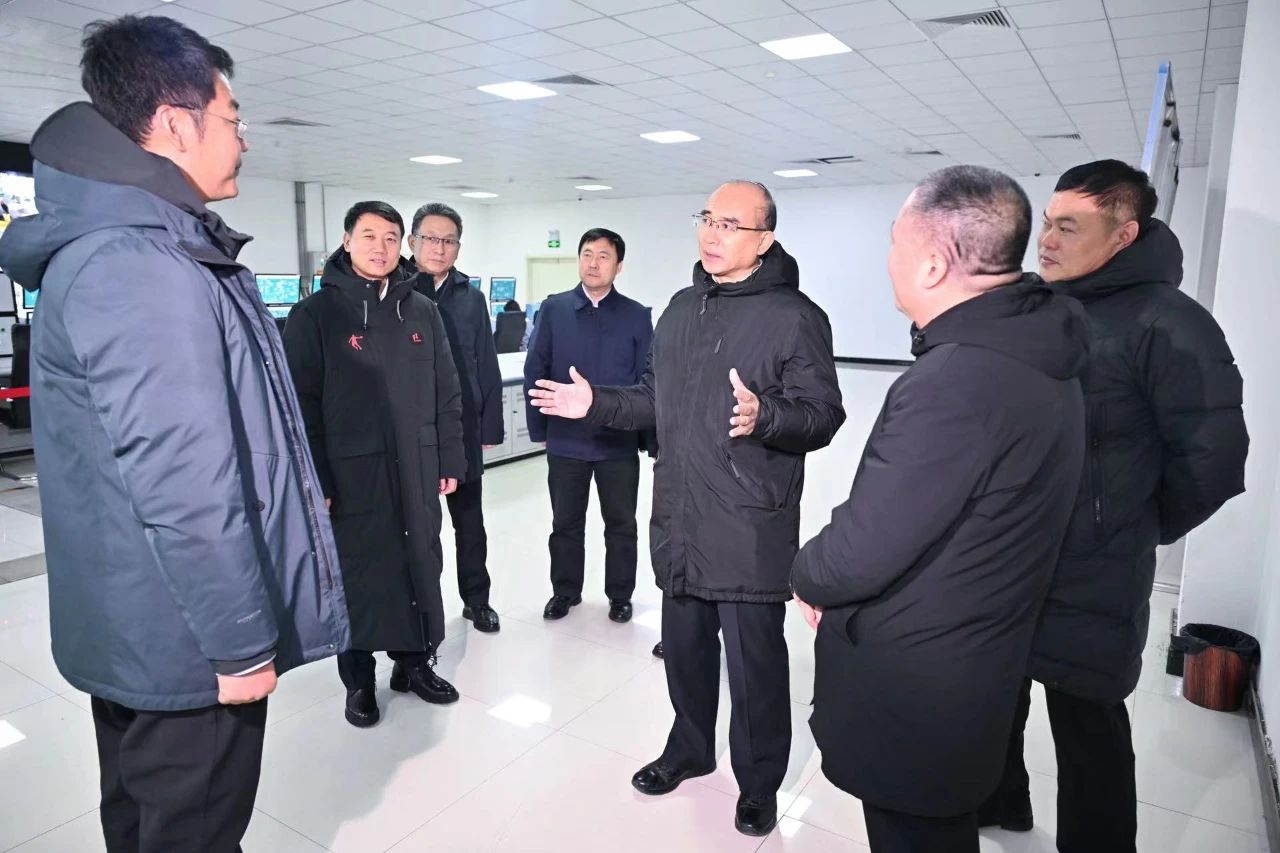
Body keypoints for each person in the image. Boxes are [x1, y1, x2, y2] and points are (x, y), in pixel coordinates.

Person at [0, 15, 350, 851]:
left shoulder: (127, 250)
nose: (244, 139)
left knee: (144, 819)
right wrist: (239, 645)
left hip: (146, 622)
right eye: (232, 118)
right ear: (174, 123)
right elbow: (185, 478)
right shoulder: (141, 265)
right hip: (186, 640)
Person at [529, 181, 844, 837]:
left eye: (731, 223)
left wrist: (766, 415)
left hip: (748, 522)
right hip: (679, 517)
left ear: (765, 238)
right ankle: (691, 748)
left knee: (755, 668)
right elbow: (653, 399)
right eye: (708, 218)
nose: (712, 233)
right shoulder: (679, 309)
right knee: (685, 650)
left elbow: (823, 415)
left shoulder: (795, 317)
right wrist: (596, 404)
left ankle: (758, 782)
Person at [789, 165, 1089, 853]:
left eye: (895, 241)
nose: (888, 258)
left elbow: (866, 545)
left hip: (922, 674)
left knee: (915, 831)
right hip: (978, 647)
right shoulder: (1038, 350)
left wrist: (807, 573)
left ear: (931, 264)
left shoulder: (956, 379)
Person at [980, 160, 1249, 851]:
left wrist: (1127, 522)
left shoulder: (1170, 323)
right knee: (995, 697)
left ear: (1124, 234)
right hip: (1009, 554)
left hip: (1093, 569)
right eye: (1047, 222)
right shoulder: (1038, 306)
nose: (1046, 239)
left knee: (1088, 728)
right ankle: (1001, 803)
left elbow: (1214, 459)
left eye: (1069, 227)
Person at [284, 201, 466, 729]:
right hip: (351, 474)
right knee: (358, 575)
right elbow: (299, 406)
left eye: (390, 237)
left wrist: (449, 457)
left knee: (418, 563)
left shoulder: (421, 310)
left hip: (416, 467)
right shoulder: (315, 315)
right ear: (346, 242)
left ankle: (414, 664)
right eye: (368, 236)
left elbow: (446, 390)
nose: (380, 248)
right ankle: (359, 680)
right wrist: (316, 479)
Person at [523, 228, 654, 624]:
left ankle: (620, 595)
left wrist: (647, 438)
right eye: (587, 254)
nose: (593, 263)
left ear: (619, 266)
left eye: (603, 256)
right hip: (567, 440)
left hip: (617, 442)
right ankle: (565, 591)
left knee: (621, 525)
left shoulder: (636, 315)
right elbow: (536, 369)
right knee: (565, 524)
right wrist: (540, 431)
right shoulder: (555, 309)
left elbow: (649, 381)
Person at [410, 202, 504, 634]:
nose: (439, 248)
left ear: (458, 248)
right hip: (413, 429)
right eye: (430, 238)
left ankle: (477, 601)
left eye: (448, 241)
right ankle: (421, 608)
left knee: (469, 524)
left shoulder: (471, 298)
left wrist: (490, 426)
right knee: (418, 527)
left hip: (461, 428)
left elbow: (486, 363)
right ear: (412, 242)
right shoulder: (396, 292)